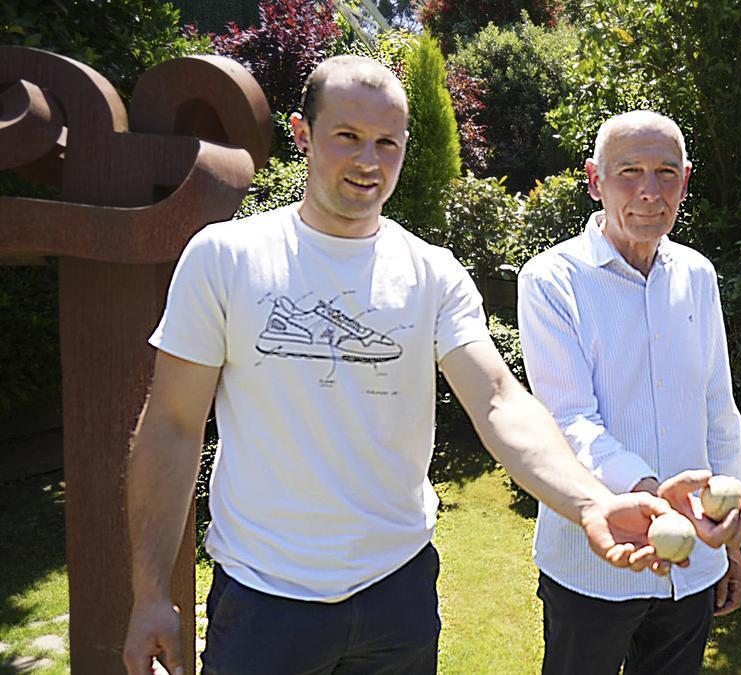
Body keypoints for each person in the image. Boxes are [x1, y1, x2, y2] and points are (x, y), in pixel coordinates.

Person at [122, 56, 689, 675]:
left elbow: (499, 399)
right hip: (265, 600)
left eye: (387, 143)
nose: (369, 161)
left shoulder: (432, 272)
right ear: (302, 134)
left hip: (398, 598)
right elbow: (172, 425)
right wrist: (151, 594)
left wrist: (589, 503)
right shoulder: (225, 258)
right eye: (348, 137)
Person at [517, 110, 741, 675]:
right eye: (629, 172)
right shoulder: (551, 280)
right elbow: (569, 420)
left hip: (694, 561)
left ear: (686, 179)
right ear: (594, 179)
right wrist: (653, 494)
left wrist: (727, 533)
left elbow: (717, 408)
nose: (650, 192)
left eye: (666, 173)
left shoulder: (697, 274)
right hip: (593, 563)